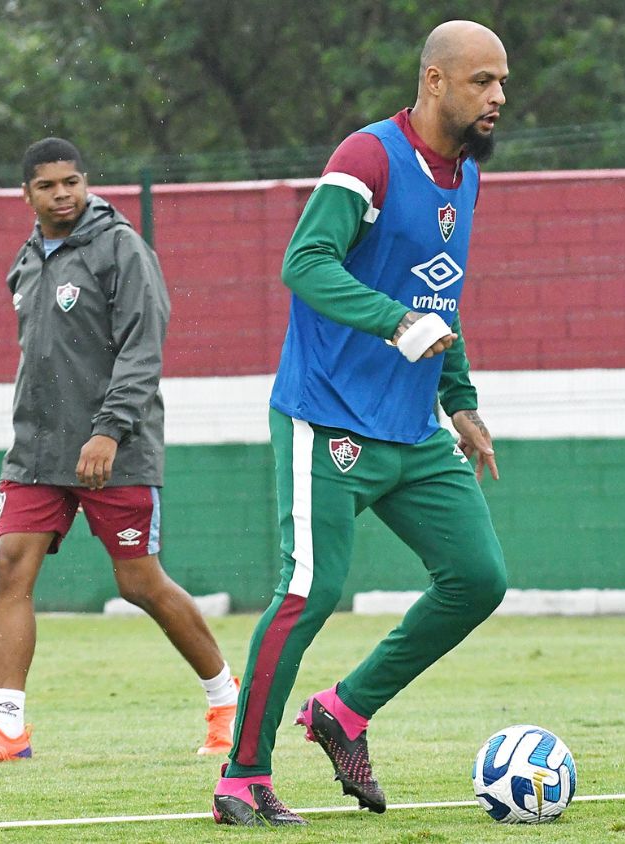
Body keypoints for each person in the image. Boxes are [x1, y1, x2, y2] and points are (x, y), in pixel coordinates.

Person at [211, 20, 510, 826]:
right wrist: (392, 323)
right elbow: (303, 263)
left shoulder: (466, 179)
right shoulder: (368, 157)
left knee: (479, 579)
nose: (498, 98)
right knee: (309, 591)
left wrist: (461, 400)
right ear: (436, 81)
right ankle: (243, 774)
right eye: (483, 81)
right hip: (329, 416)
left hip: (414, 429)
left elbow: (440, 293)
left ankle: (343, 712)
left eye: (503, 83)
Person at [0, 138, 239, 764]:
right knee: (9, 569)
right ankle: (7, 729)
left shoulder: (120, 247)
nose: (62, 194)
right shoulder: (25, 262)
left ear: (86, 182)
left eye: (72, 181)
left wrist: (108, 428)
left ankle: (228, 704)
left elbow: (143, 346)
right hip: (36, 453)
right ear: (27, 195)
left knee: (140, 584)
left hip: (115, 449)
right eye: (47, 186)